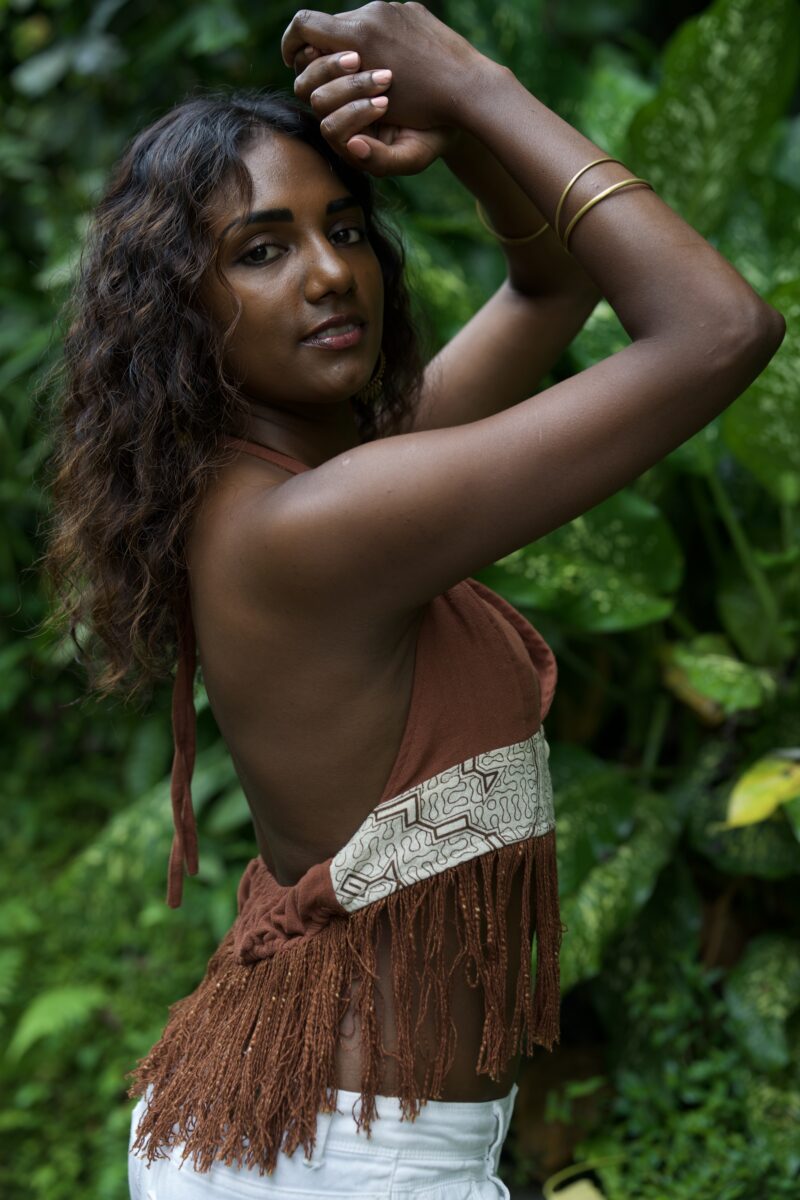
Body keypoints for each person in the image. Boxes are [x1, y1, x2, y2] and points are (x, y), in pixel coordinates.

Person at [42, 3, 785, 1197]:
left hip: (300, 1132)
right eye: (262, 250)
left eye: (343, 228)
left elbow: (549, 287)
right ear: (178, 310)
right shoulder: (317, 526)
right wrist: (475, 81)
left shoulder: (302, 486)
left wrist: (456, 132)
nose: (331, 272)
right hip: (344, 1165)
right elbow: (717, 328)